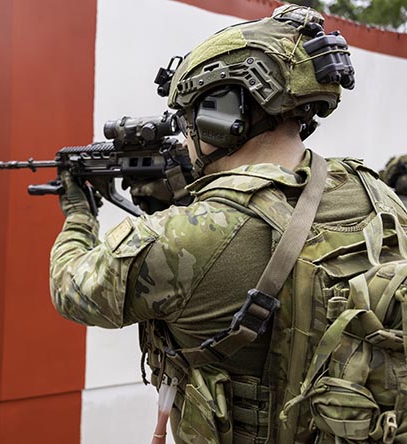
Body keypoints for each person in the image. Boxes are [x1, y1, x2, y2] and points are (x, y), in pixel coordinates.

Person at [49, 6, 398, 443]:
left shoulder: (184, 238)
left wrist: (78, 213)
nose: (187, 133)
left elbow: (71, 289)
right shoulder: (377, 193)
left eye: (189, 116)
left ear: (224, 112)